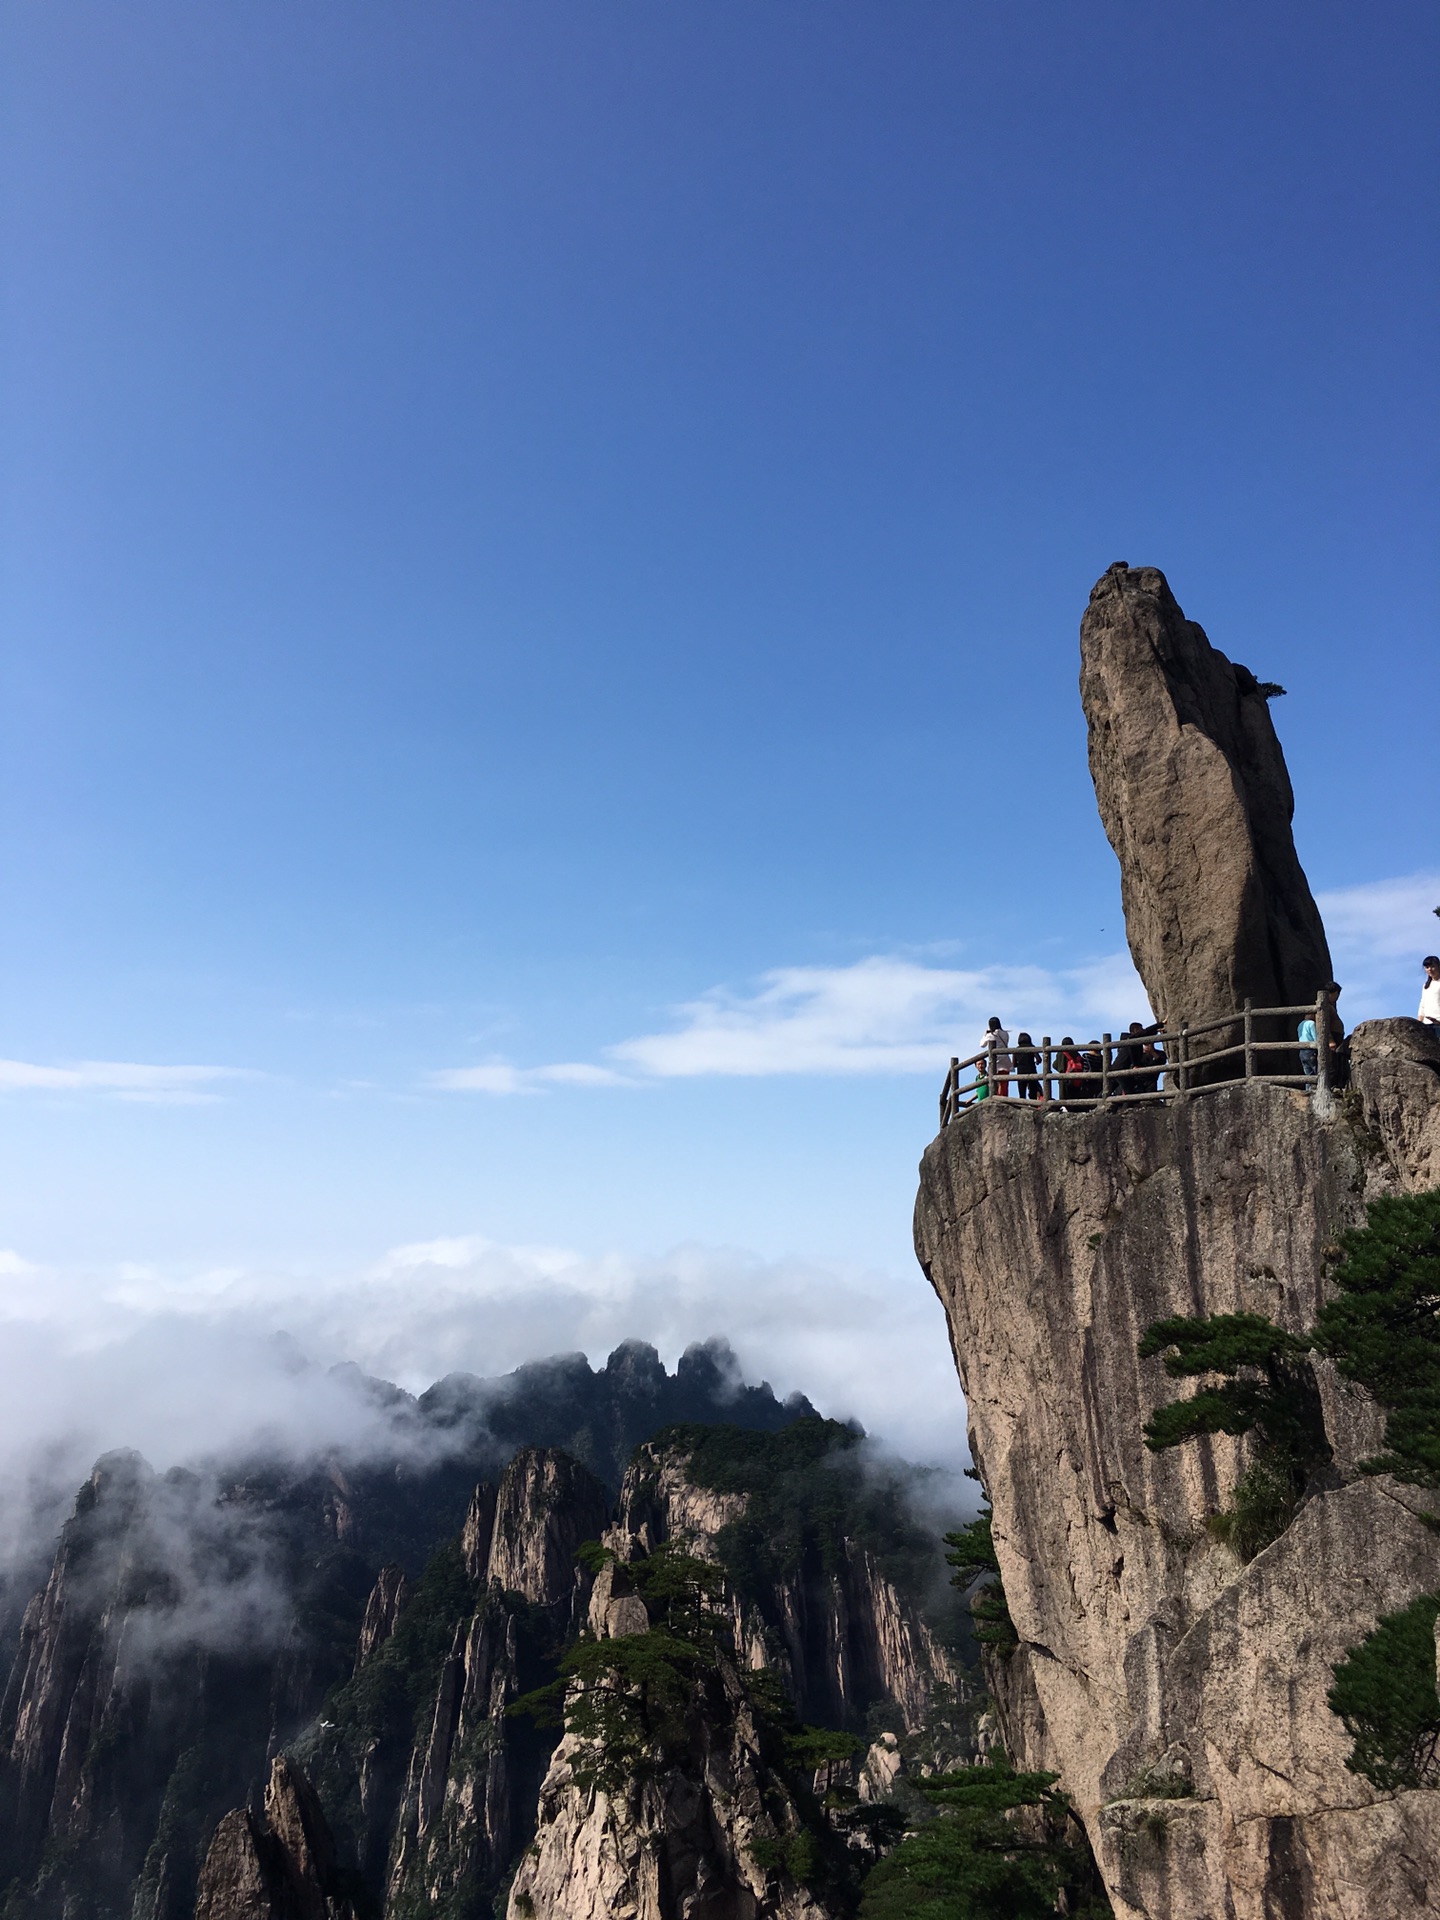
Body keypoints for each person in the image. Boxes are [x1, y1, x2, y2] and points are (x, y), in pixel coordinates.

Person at [985, 1016, 1011, 1097]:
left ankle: (994, 1096)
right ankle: (1004, 1097)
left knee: (992, 1080)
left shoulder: (990, 1035)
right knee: (1004, 1082)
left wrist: (985, 1034)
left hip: (995, 1061)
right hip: (1005, 1060)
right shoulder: (1005, 1033)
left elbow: (982, 1044)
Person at [1013, 1032, 1042, 1100]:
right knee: (1033, 1092)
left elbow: (1014, 1064)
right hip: (1031, 1070)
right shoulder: (1032, 1047)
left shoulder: (1016, 1049)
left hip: (1021, 1072)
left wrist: (1019, 1063)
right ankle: (1033, 1107)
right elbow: (1039, 1059)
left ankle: (1022, 1106)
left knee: (1022, 1094)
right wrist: (1036, 1062)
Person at [1056, 1037, 1084, 1107]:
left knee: (1064, 1097)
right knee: (1074, 1096)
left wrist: (1061, 1069)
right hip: (1076, 1078)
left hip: (1063, 1078)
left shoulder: (1060, 1053)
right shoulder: (1076, 1053)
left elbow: (1055, 1065)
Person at [1297, 1010, 1318, 1083]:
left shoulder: (1300, 1024)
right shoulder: (1312, 1023)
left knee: (1308, 1074)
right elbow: (1315, 1036)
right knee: (1317, 1071)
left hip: (1302, 1051)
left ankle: (1308, 1090)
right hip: (1310, 1050)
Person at [1420, 956, 1440, 1026]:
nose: (1430, 969)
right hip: (1427, 1023)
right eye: (1427, 967)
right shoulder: (1426, 986)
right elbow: (1422, 1005)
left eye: (1432, 967)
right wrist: (1419, 1022)